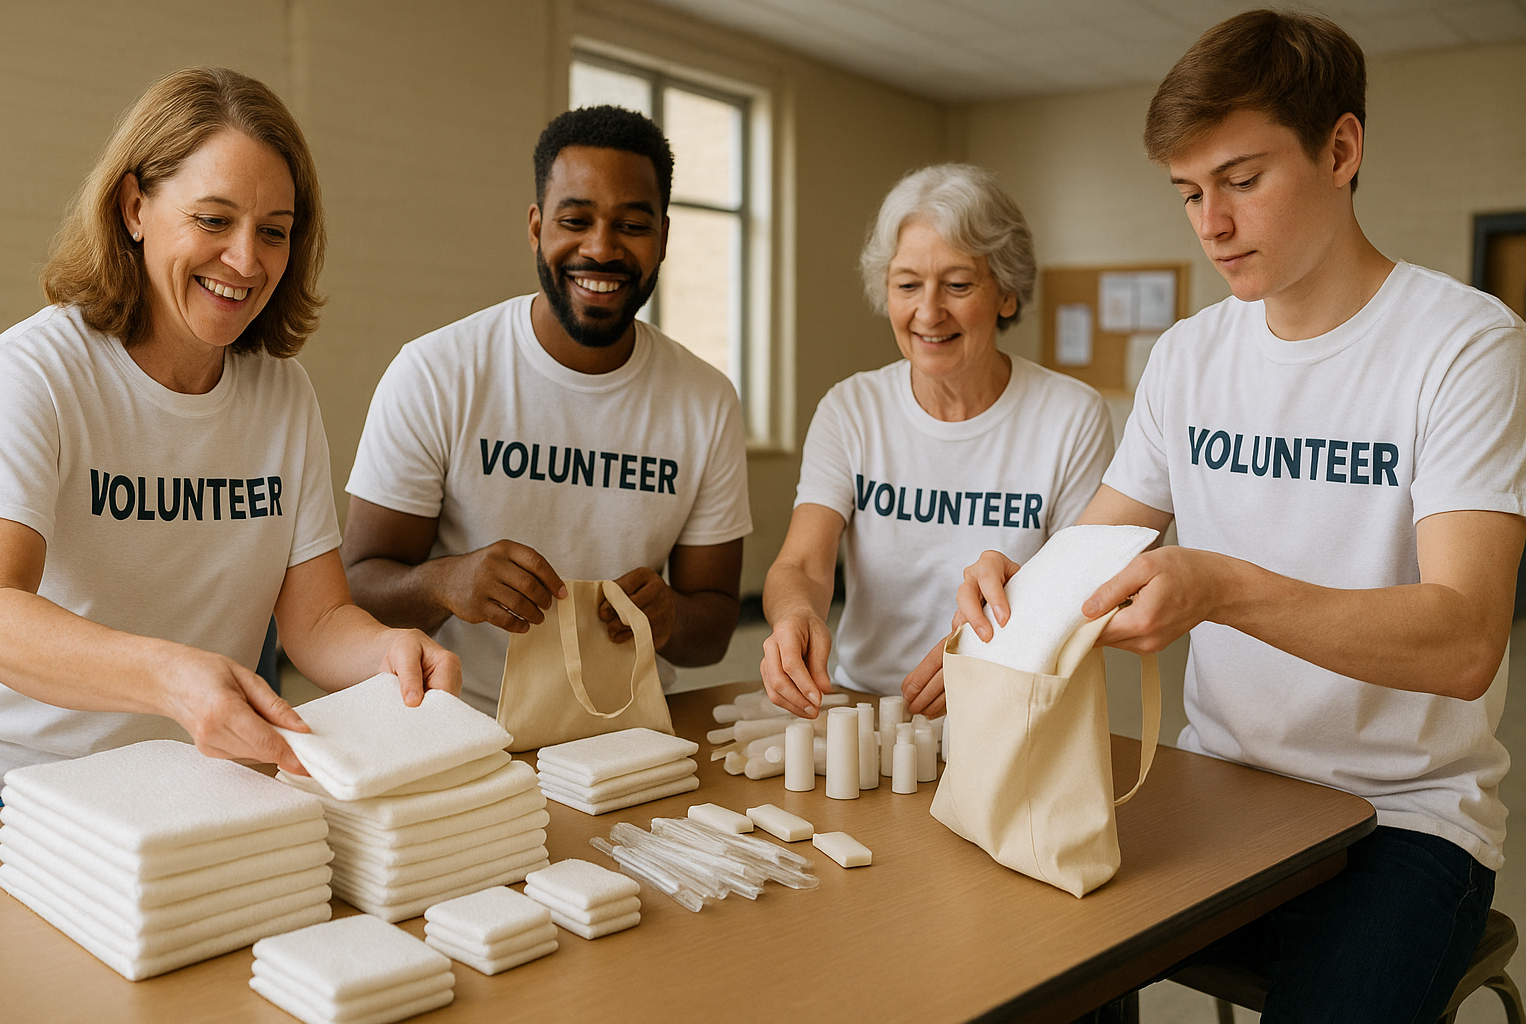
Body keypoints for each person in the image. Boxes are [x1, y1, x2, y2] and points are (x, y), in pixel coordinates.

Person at [956, 11, 1526, 1022]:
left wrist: (1220, 586)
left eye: (1242, 179)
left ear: (1341, 150)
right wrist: (1018, 578)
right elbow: (1098, 546)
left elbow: (1466, 640)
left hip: (1399, 818)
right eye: (1188, 191)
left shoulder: (1463, 343)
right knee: (1023, 970)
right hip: (1219, 787)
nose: (1209, 222)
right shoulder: (1186, 358)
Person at [0, 67, 461, 803]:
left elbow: (318, 620)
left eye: (273, 232)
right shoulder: (36, 374)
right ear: (134, 206)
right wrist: (168, 677)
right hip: (28, 797)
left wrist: (386, 652)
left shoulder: (281, 394)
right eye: (213, 221)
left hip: (208, 795)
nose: (246, 261)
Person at [342, 105, 752, 714]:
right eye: (575, 219)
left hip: (630, 735)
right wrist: (445, 582)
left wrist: (669, 616)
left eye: (632, 225)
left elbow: (714, 629)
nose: (602, 248)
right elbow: (355, 590)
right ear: (536, 227)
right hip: (460, 727)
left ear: (663, 237)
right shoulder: (436, 372)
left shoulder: (706, 400)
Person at [760, 164, 1113, 720]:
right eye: (907, 285)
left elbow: (1083, 594)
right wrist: (793, 617)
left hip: (1009, 704)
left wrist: (986, 655)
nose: (928, 312)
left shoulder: (1070, 415)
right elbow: (802, 565)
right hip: (863, 708)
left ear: (1006, 293)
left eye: (957, 284)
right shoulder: (851, 408)